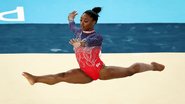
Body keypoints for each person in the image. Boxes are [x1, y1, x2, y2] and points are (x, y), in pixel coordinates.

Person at [22, 7, 165, 85]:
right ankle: (35, 79)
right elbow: (73, 27)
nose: (82, 23)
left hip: (100, 71)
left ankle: (152, 66)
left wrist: (81, 44)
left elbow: (89, 42)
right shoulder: (78, 31)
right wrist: (70, 19)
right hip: (84, 72)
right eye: (81, 20)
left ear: (93, 22)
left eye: (86, 21)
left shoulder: (97, 37)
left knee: (130, 71)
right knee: (62, 76)